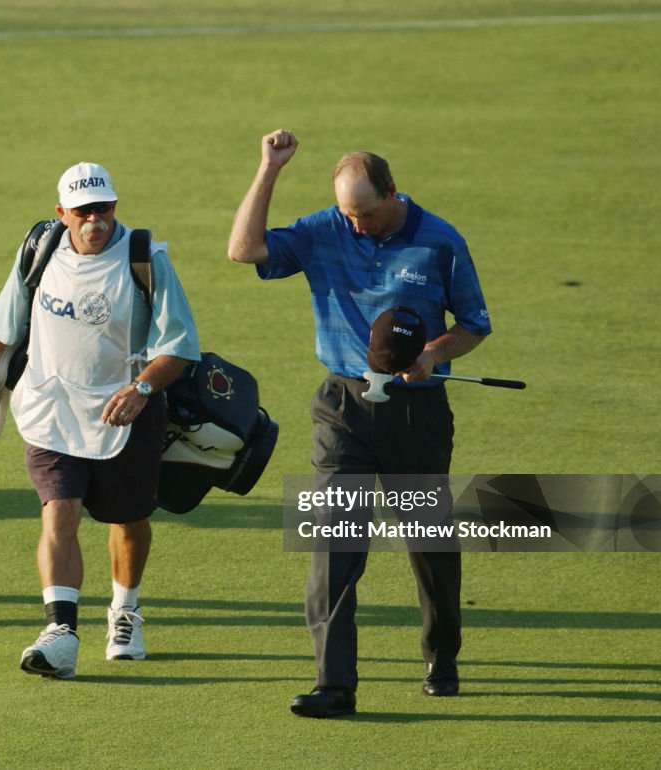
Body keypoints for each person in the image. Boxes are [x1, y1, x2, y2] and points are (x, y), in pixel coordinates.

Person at [228, 130, 492, 718]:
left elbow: (474, 322)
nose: (358, 226)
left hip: (416, 412)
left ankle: (441, 654)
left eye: (367, 213)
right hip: (341, 407)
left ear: (393, 193)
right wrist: (268, 169)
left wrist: (432, 353)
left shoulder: (440, 241)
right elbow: (244, 251)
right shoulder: (327, 228)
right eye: (350, 214)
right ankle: (334, 683)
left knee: (429, 542)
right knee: (333, 542)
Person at [0, 162, 200, 679]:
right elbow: (4, 319)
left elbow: (179, 347)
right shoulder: (40, 250)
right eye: (84, 211)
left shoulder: (145, 259)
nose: (96, 220)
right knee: (58, 513)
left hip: (124, 415)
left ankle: (125, 608)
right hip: (50, 411)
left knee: (129, 522)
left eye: (104, 208)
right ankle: (60, 632)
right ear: (61, 212)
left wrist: (141, 388)